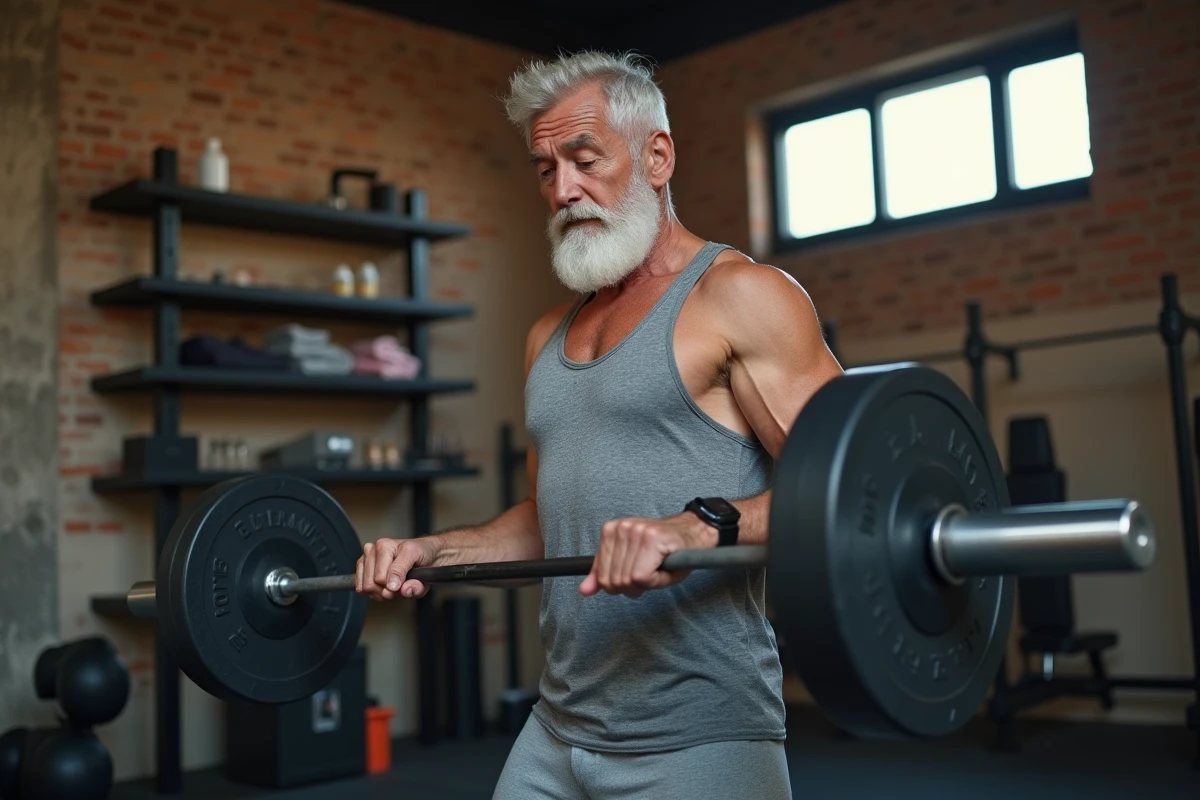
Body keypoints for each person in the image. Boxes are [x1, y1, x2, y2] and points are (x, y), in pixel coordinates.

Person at [355, 50, 844, 799]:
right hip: (558, 727)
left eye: (585, 161)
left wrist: (695, 528)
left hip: (700, 733)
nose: (563, 190)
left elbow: (844, 490)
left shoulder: (741, 297)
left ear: (657, 157)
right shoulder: (546, 337)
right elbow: (546, 522)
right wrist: (432, 551)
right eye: (545, 170)